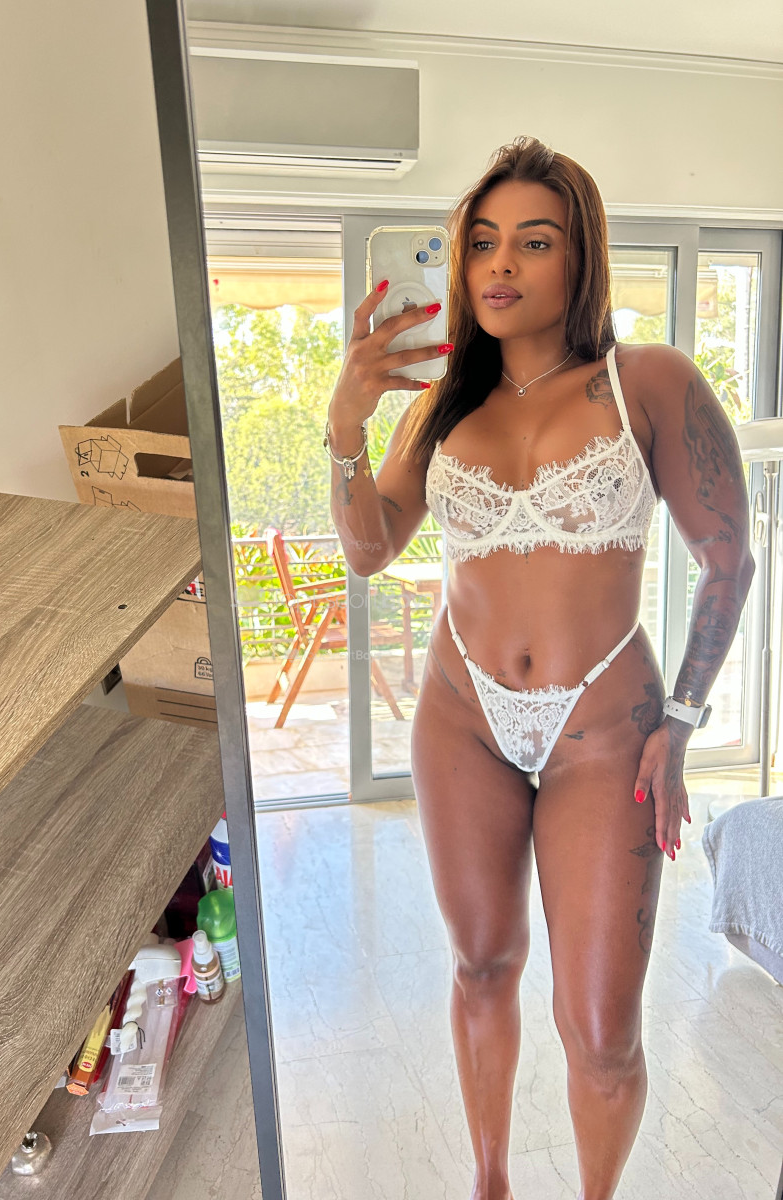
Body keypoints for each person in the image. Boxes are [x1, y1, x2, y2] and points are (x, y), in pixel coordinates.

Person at [324, 135, 755, 1200]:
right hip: (462, 715)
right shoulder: (439, 404)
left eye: (535, 240)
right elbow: (370, 547)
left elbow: (728, 558)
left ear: (581, 258)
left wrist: (683, 722)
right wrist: (344, 423)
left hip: (604, 728)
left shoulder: (645, 382)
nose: (501, 263)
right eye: (481, 242)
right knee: (481, 965)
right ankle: (491, 1183)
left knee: (602, 1030)